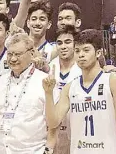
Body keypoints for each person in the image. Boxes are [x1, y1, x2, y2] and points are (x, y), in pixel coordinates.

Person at [44, 29, 116, 154]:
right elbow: (53, 122)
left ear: (98, 53)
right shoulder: (69, 88)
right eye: (77, 51)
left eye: (86, 50)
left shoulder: (113, 80)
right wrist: (48, 93)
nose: (81, 55)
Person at [0, 33, 49, 153]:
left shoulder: (44, 82)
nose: (13, 59)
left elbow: (53, 124)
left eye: (18, 54)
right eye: (10, 54)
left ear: (31, 53)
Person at [46, 25, 82, 154]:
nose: (63, 46)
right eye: (59, 43)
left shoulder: (83, 68)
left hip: (77, 128)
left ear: (75, 45)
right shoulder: (49, 68)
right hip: (52, 129)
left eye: (68, 42)